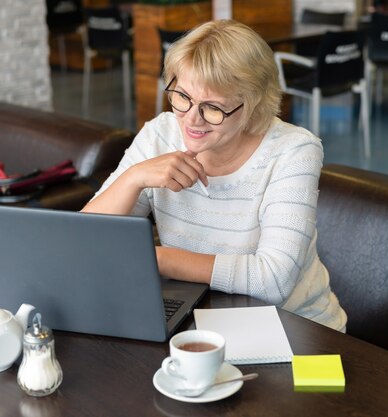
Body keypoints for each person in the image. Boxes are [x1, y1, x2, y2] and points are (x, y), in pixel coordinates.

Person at [81, 20, 347, 331]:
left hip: (296, 327)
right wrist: (134, 178)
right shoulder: (161, 134)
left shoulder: (293, 150)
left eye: (213, 107)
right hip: (202, 319)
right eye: (182, 96)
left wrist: (158, 260)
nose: (191, 119)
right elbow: (86, 242)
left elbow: (275, 280)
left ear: (251, 105)